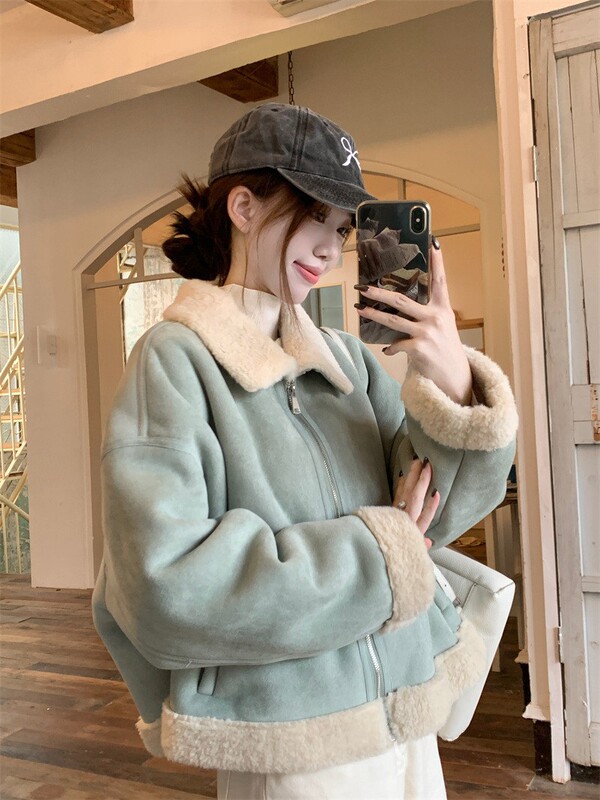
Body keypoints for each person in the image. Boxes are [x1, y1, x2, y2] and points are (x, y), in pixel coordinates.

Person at [91, 103, 518, 800]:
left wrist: (452, 382)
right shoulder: (174, 362)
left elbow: (434, 517)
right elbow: (165, 587)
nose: (329, 248)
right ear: (243, 207)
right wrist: (378, 551)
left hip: (408, 712)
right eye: (314, 216)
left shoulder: (347, 362)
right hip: (295, 741)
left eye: (341, 229)